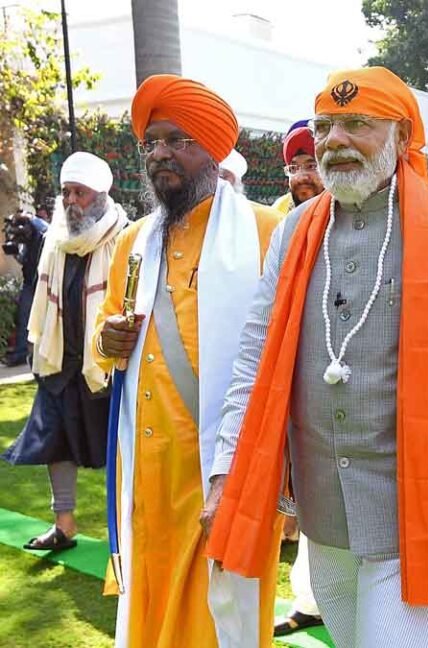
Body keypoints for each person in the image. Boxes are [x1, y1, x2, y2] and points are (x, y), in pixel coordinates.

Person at [206, 66, 428, 648]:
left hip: (422, 514)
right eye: (324, 127)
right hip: (324, 514)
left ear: (402, 135)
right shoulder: (294, 232)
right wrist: (225, 475)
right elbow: (254, 360)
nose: (335, 141)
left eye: (357, 125)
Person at [92, 74, 283, 648]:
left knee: (217, 619)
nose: (161, 153)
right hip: (146, 474)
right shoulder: (133, 243)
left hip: (223, 473)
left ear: (213, 149)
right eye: (152, 142)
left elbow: (284, 357)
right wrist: (108, 341)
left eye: (178, 140)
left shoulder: (266, 231)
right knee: (149, 614)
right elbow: (102, 337)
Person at [3, 152, 128, 550]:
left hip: (104, 363)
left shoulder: (124, 237)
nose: (71, 201)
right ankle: (64, 525)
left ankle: (127, 534)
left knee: (121, 449)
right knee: (56, 441)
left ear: (100, 197)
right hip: (60, 359)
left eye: (80, 193)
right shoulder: (56, 241)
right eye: (66, 192)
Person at [269, 120, 327, 638]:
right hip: (297, 386)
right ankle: (310, 600)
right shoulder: (279, 228)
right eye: (295, 166)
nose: (303, 175)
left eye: (312, 164)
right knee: (307, 496)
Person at [3, 208, 48, 366]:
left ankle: (46, 353)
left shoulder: (42, 231)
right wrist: (15, 252)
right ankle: (21, 353)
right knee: (23, 317)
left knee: (46, 318)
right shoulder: (27, 238)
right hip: (30, 281)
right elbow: (24, 259)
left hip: (44, 281)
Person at [271, 122, 324, 215]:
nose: (301, 177)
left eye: (311, 166)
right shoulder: (279, 210)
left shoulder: (345, 214)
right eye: (293, 168)